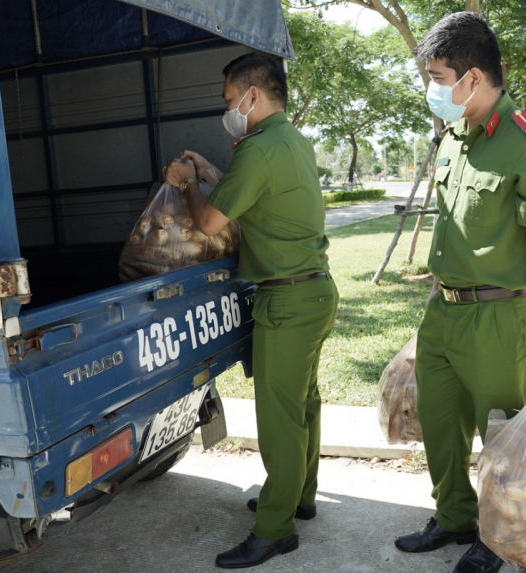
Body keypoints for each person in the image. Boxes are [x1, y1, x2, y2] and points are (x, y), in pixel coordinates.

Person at [394, 12, 526, 573]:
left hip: (499, 316)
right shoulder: (455, 136)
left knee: (502, 437)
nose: (432, 88)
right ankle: (453, 517)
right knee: (440, 424)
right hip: (443, 311)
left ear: (473, 77)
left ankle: (498, 536)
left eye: (438, 77)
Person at [163, 52, 338, 569]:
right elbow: (257, 196)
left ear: (252, 95)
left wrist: (187, 183)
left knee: (280, 418)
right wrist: (211, 171)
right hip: (316, 291)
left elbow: (211, 223)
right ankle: (300, 496)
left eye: (229, 100)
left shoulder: (258, 149)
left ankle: (275, 530)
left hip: (286, 300)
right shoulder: (292, 141)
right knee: (303, 404)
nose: (227, 110)